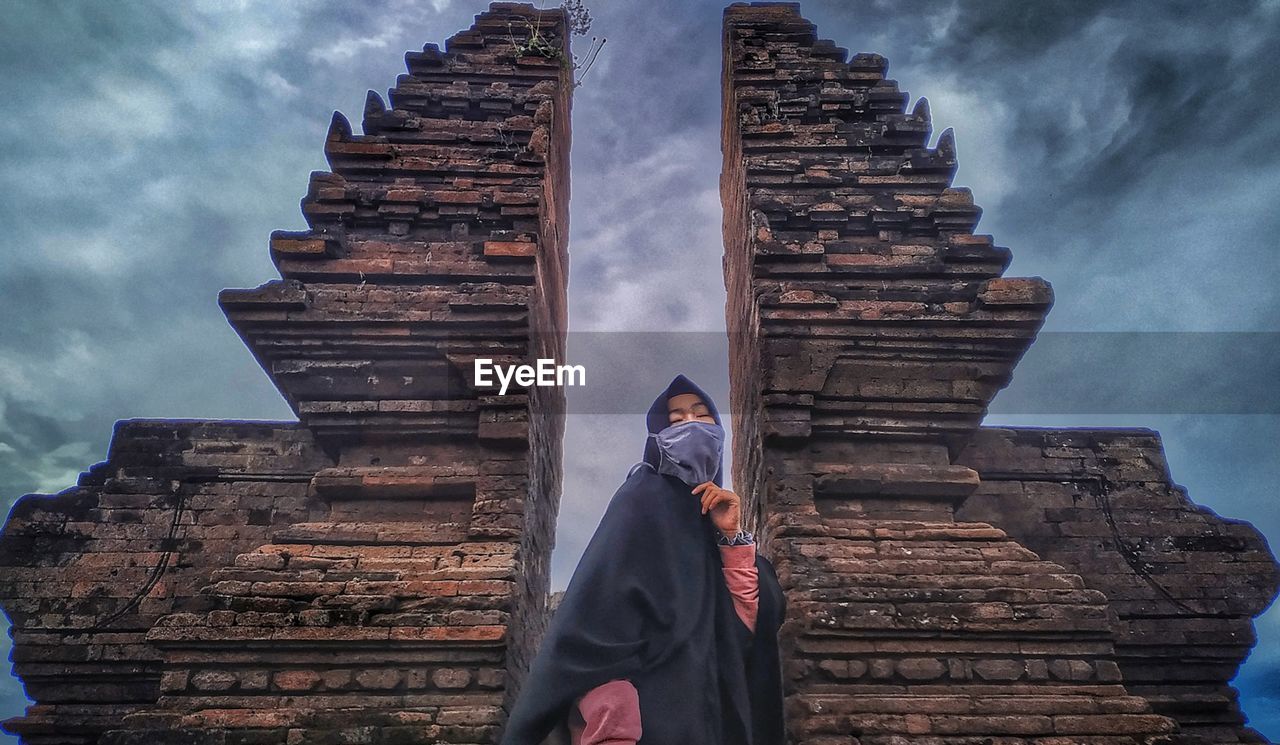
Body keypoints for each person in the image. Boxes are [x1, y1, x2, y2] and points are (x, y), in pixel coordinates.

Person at [499, 374, 786, 745]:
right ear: (659, 437)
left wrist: (731, 537)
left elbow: (743, 632)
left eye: (701, 415)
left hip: (710, 719)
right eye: (676, 420)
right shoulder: (642, 498)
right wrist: (614, 724)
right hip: (645, 725)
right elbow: (594, 627)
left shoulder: (710, 527)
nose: (691, 425)